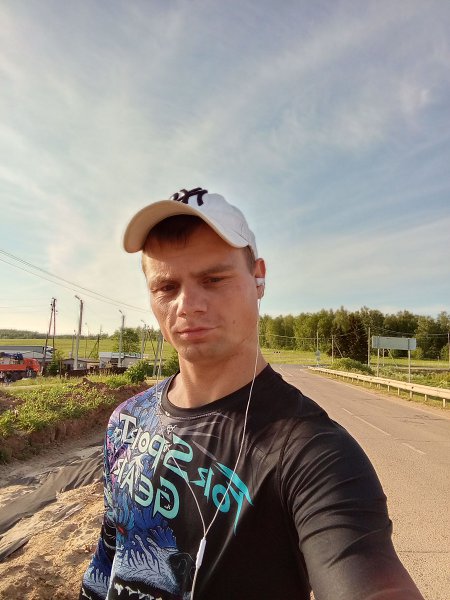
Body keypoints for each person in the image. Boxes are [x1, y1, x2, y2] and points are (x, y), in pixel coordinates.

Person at [80, 187, 423, 600]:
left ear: (258, 278)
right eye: (166, 287)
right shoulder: (125, 421)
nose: (188, 305)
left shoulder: (313, 454)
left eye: (213, 279)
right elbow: (110, 553)